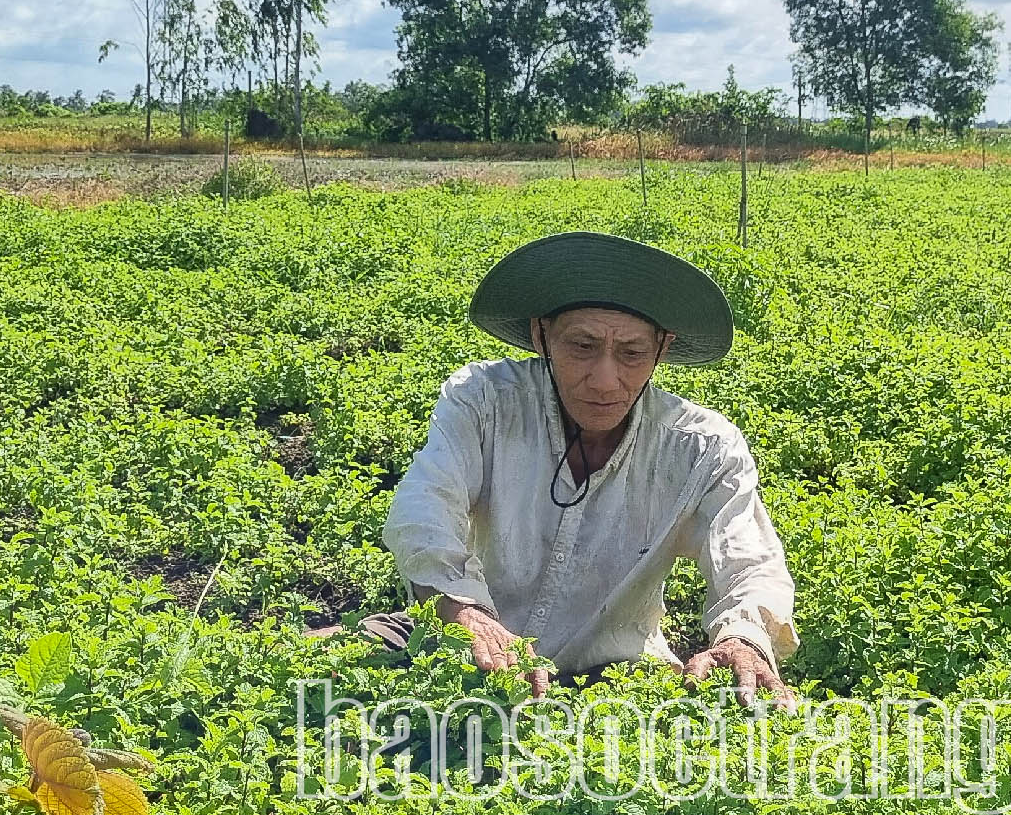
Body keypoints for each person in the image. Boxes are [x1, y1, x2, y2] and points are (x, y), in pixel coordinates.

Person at [329, 231, 798, 708]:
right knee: (319, 670)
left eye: (632, 353)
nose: (605, 380)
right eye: (582, 345)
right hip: (467, 642)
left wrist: (744, 637)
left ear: (662, 349)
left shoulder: (702, 447)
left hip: (615, 669)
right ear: (541, 336)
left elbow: (748, 559)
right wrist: (465, 613)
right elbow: (425, 511)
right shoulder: (486, 401)